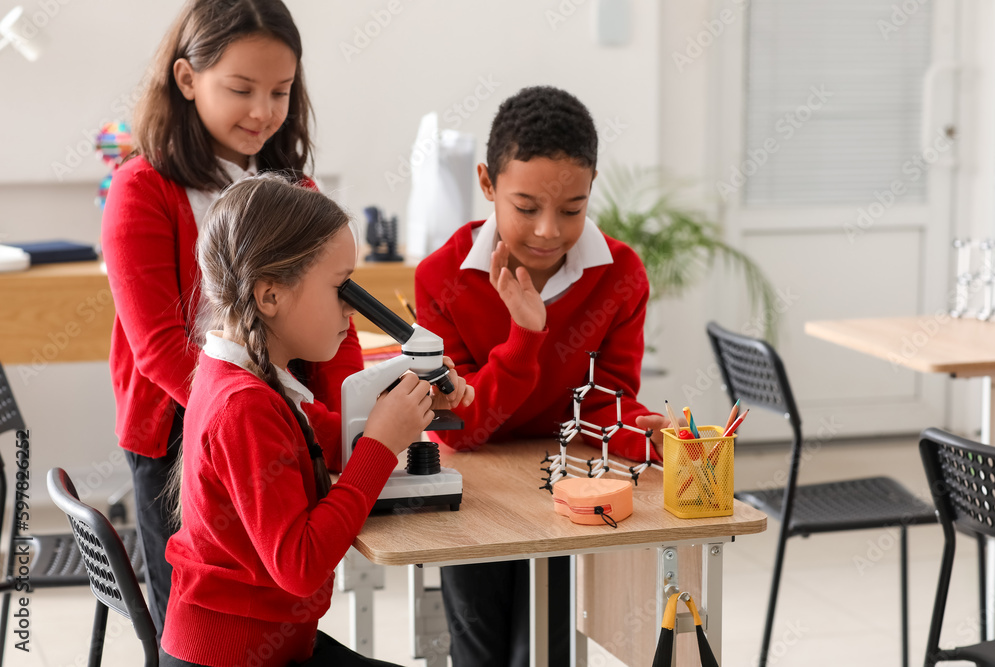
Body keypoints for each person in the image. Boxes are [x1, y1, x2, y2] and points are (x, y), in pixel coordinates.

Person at [100, 0, 360, 641]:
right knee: (203, 624)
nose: (263, 112)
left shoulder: (296, 194)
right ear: (187, 80)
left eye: (280, 91)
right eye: (241, 89)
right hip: (182, 434)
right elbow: (161, 347)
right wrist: (254, 418)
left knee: (277, 602)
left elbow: (337, 327)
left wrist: (350, 423)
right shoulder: (143, 188)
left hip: (274, 428)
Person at [160, 175, 473, 667]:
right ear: (270, 297)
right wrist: (380, 444)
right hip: (230, 655)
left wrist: (412, 404)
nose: (352, 307)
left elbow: (322, 440)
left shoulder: (245, 375)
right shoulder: (242, 404)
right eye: (340, 287)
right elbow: (300, 566)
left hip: (264, 645)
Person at [415, 85, 670, 667]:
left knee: (548, 648)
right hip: (471, 494)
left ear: (591, 188)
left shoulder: (620, 275)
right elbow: (460, 428)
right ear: (487, 184)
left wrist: (646, 433)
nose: (549, 230)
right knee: (478, 651)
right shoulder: (441, 279)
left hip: (557, 491)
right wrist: (526, 336)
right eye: (526, 207)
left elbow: (606, 401)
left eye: (572, 209)